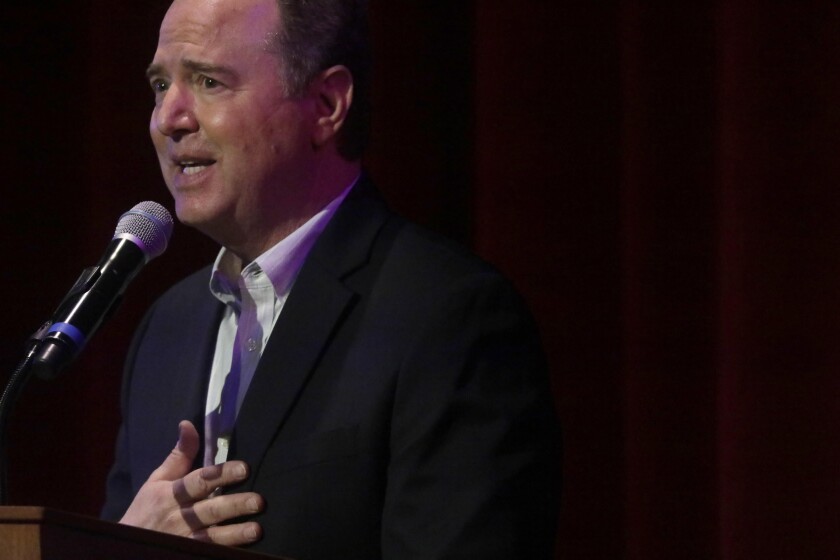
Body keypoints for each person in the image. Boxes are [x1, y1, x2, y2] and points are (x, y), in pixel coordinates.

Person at [100, 0, 560, 558]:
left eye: (208, 81)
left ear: (326, 104)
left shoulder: (446, 316)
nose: (169, 118)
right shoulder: (166, 328)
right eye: (158, 85)